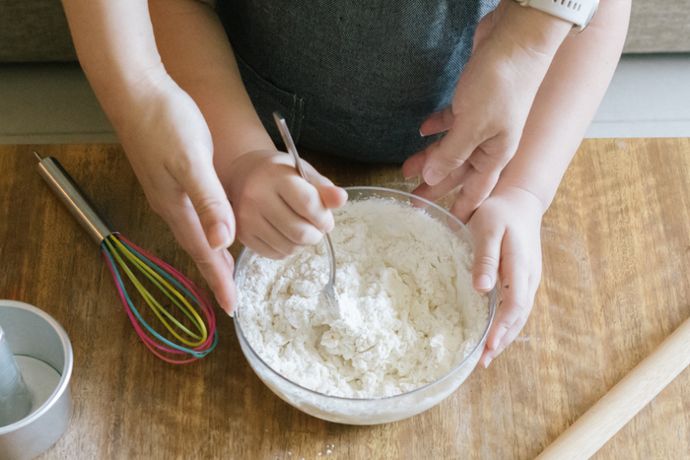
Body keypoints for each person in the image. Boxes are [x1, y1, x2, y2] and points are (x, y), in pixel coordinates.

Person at [61, 0, 630, 367]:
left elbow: (599, 12)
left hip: (485, 119)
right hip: (247, 104)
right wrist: (237, 156)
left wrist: (525, 187)